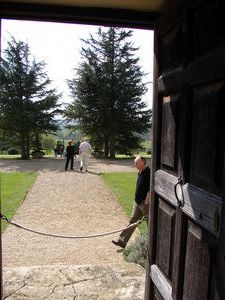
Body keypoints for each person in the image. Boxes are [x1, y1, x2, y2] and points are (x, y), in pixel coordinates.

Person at [112, 155, 150, 248]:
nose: (135, 165)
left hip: (145, 204)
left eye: (137, 163)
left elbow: (151, 188)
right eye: (135, 163)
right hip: (138, 202)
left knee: (150, 224)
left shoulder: (149, 172)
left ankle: (153, 244)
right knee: (132, 221)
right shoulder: (140, 172)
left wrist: (147, 200)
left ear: (143, 163)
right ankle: (122, 241)